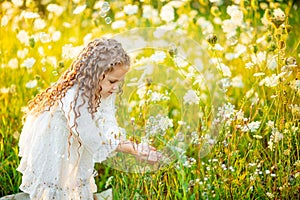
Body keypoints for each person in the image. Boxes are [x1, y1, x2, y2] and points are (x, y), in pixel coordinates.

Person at [17, 38, 160, 200]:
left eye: (120, 81)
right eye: (113, 81)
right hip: (54, 137)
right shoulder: (74, 97)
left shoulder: (105, 89)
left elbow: (107, 121)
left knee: (75, 179)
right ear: (95, 75)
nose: (116, 87)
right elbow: (90, 136)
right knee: (57, 178)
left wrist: (132, 145)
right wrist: (131, 149)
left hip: (74, 137)